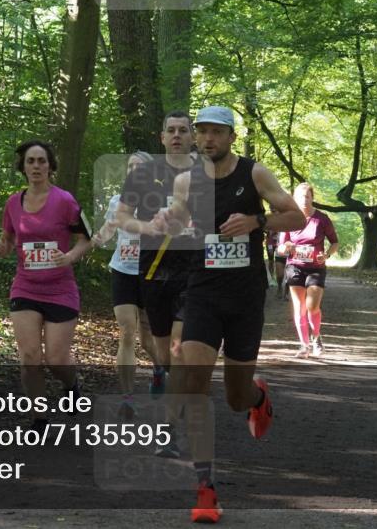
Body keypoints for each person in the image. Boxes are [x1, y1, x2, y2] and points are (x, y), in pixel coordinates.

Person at [154, 105, 305, 523]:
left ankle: (258, 396)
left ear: (231, 137)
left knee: (236, 398)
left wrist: (257, 220)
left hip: (243, 296)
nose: (206, 140)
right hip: (202, 292)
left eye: (215, 133)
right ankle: (206, 489)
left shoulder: (254, 174)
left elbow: (296, 215)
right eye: (201, 133)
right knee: (195, 382)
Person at [0, 140, 92, 430]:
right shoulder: (13, 202)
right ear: (23, 167)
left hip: (60, 288)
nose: (36, 166)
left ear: (50, 166)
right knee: (30, 356)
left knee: (57, 359)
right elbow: (8, 240)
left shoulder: (65, 201)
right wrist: (1, 247)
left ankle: (72, 385)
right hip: (26, 287)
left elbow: (87, 239)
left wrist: (70, 256)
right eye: (31, 161)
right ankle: (39, 419)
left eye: (42, 161)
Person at [116, 112, 196, 406]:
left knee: (179, 345)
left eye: (183, 130)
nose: (177, 135)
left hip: (195, 269)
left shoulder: (208, 173)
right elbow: (122, 217)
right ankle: (167, 378)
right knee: (163, 349)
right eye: (171, 130)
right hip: (154, 268)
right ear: (162, 137)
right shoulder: (141, 174)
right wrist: (146, 226)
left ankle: (176, 411)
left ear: (192, 137)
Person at [91, 151, 162, 418]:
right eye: (130, 166)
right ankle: (128, 397)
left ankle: (158, 368)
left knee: (148, 339)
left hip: (151, 273)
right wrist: (92, 241)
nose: (133, 170)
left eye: (139, 167)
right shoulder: (116, 201)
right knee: (126, 330)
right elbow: (108, 230)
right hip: (122, 269)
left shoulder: (160, 201)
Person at [276, 183, 340, 358]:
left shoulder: (322, 219)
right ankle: (304, 345)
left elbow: (335, 242)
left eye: (307, 196)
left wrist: (326, 255)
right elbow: (280, 248)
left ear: (312, 198)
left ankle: (316, 337)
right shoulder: (289, 218)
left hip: (316, 268)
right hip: (295, 266)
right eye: (301, 196)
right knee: (299, 307)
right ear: (294, 198)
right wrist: (286, 247)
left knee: (312, 306)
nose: (304, 200)